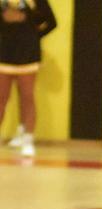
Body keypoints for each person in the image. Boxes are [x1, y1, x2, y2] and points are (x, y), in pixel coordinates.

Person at [0, 0, 56, 158]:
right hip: (5, 53)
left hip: (28, 54)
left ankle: (27, 140)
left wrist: (33, 34)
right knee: (1, 98)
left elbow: (52, 22)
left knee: (27, 97)